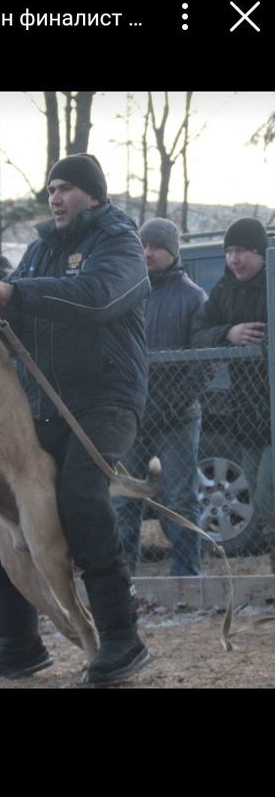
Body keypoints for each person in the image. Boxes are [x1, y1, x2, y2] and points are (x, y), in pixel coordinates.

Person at [0, 153, 151, 685]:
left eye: (66, 188)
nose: (55, 198)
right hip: (42, 405)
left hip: (106, 400)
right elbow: (8, 312)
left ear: (93, 196)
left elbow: (98, 299)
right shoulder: (38, 250)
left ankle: (122, 637)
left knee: (80, 494)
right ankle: (18, 643)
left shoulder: (120, 245)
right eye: (51, 188)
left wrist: (15, 292)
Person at [114, 218, 210, 577]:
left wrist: (171, 406)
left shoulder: (193, 297)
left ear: (172, 251)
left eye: (155, 246)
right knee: (125, 501)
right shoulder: (128, 294)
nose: (148, 252)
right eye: (144, 246)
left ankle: (187, 577)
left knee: (181, 500)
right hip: (132, 417)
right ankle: (123, 581)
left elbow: (203, 366)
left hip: (179, 418)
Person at [191, 217, 272, 557]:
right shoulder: (224, 291)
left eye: (242, 251)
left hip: (270, 408)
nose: (234, 260)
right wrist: (229, 333)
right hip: (246, 412)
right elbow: (197, 332)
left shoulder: (271, 284)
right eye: (229, 252)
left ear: (261, 253)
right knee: (257, 493)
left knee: (269, 494)